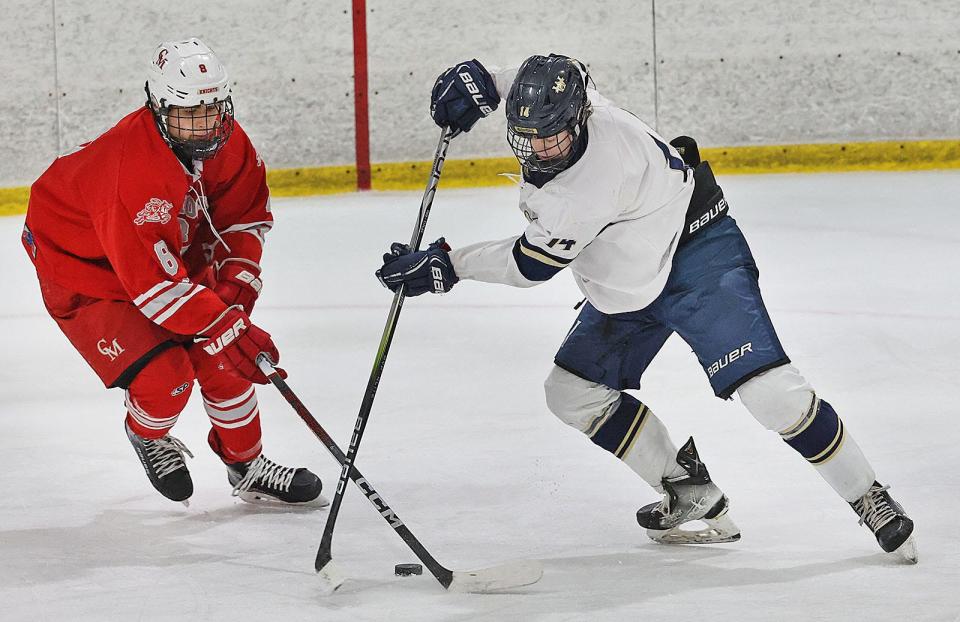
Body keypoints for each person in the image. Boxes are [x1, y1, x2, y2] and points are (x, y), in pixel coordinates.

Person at [376, 54, 916, 560]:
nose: (540, 150)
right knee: (571, 392)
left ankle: (869, 496)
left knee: (772, 393)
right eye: (529, 137)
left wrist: (448, 264)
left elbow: (527, 266)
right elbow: (541, 74)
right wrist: (484, 79)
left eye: (553, 138)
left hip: (697, 256)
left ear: (580, 120)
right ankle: (688, 490)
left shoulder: (584, 188)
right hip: (630, 272)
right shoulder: (574, 96)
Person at [21, 38, 324, 508]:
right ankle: (146, 433)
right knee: (166, 377)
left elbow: (244, 216)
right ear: (157, 107)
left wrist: (236, 294)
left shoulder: (227, 138)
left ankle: (246, 465)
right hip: (83, 267)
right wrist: (224, 323)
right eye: (188, 113)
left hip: (162, 250)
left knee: (224, 356)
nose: (204, 124)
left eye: (212, 109)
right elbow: (154, 287)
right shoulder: (131, 169)